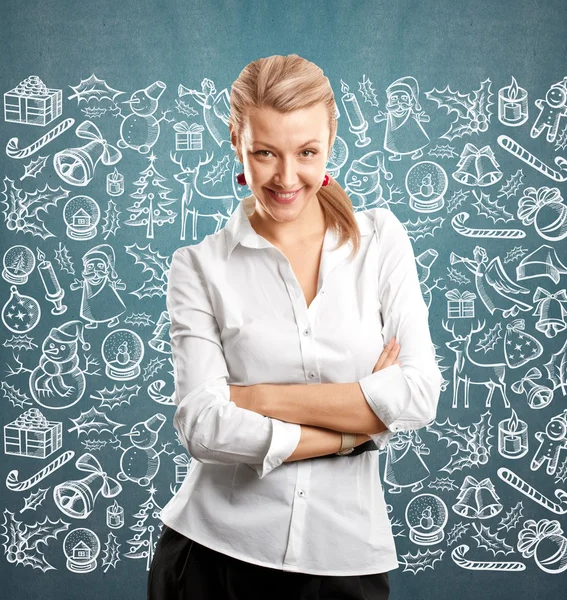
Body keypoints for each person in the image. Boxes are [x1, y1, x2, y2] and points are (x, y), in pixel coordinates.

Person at [148, 54, 442, 600]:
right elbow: (204, 427)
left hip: (345, 556)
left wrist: (255, 396)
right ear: (237, 139)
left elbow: (419, 394)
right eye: (264, 153)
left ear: (332, 138)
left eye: (307, 152)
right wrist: (355, 429)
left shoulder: (381, 242)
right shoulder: (198, 266)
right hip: (212, 555)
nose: (286, 178)